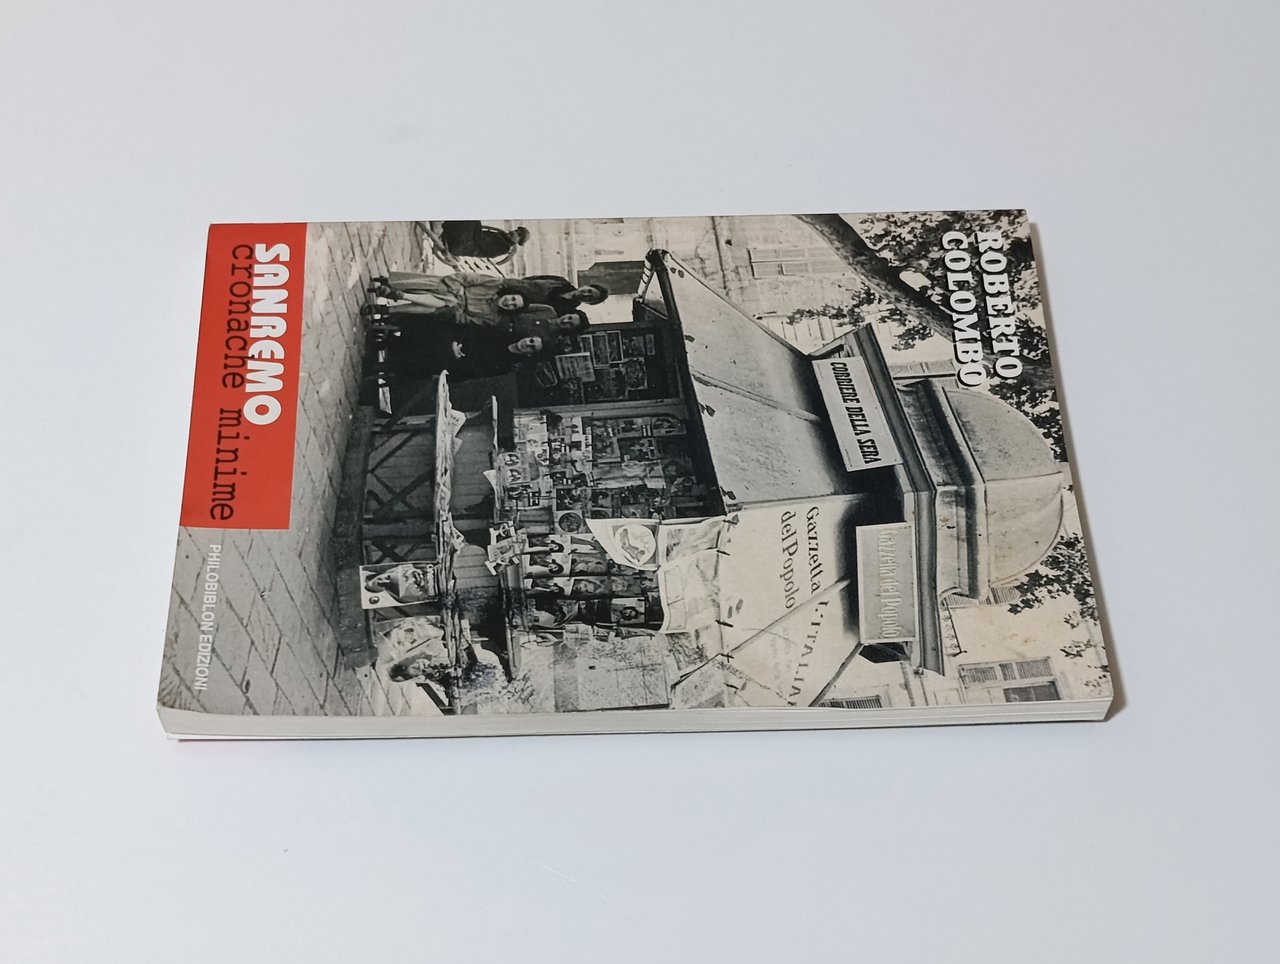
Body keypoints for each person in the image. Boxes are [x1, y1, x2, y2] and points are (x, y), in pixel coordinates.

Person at [426, 221, 530, 264]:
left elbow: (480, 240)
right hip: (464, 242)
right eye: (516, 231)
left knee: (472, 221)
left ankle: (439, 229)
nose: (514, 233)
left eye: (518, 235)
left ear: (518, 242)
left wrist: (477, 224)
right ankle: (441, 227)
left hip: (461, 246)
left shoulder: (503, 247)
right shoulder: (502, 236)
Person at [516, 275, 610, 316]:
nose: (585, 294)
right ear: (586, 286)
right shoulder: (560, 281)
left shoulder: (567, 310)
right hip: (516, 288)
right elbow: (534, 278)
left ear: (589, 303)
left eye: (589, 297)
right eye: (589, 291)